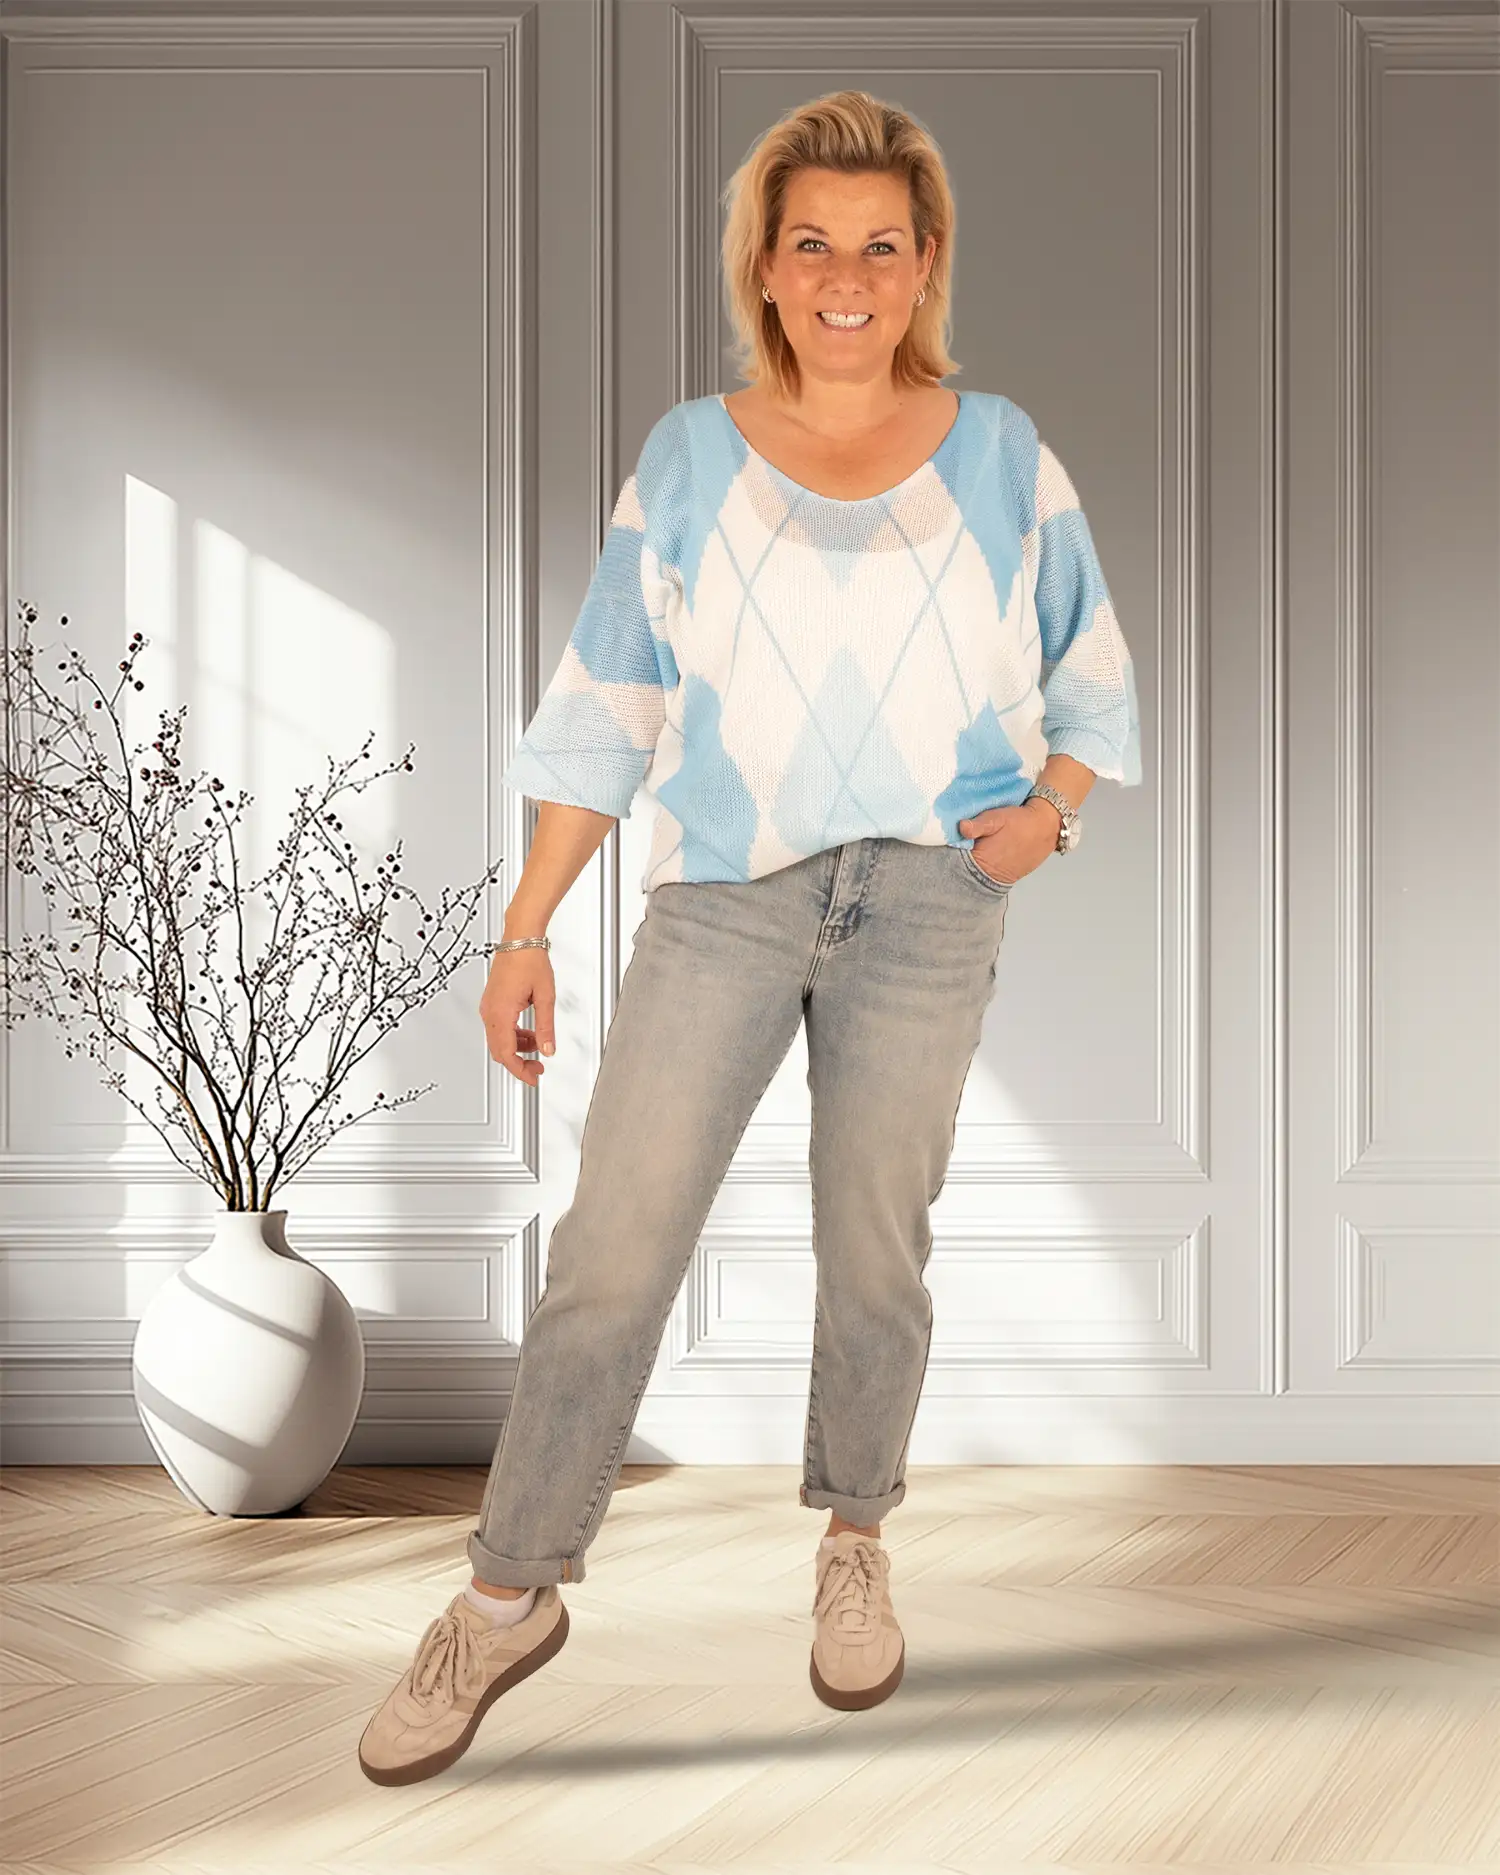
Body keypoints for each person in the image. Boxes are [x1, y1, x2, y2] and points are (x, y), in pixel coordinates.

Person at [358, 86, 1141, 1786]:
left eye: (881, 245)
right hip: (725, 891)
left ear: (924, 263)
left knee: (875, 1252)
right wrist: (523, 928)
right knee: (613, 1248)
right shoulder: (689, 457)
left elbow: (1090, 674)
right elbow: (606, 702)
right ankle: (504, 1595)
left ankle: (855, 1537)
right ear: (766, 269)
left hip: (929, 899)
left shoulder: (1005, 452)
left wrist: (1051, 813)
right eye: (813, 245)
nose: (847, 278)